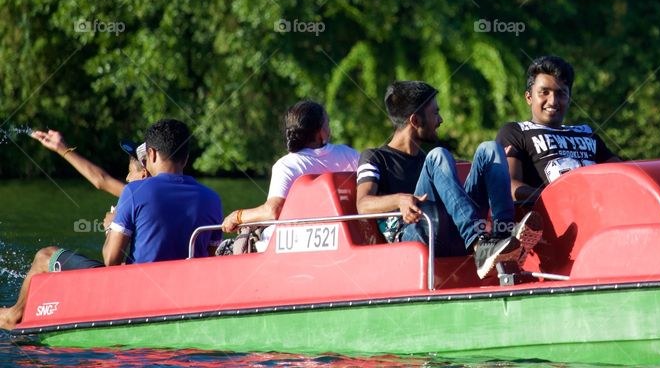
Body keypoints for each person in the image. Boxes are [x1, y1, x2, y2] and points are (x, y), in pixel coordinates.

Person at [0, 119, 222, 330]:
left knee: (45, 256)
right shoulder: (212, 199)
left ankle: (13, 316)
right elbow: (210, 263)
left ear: (151, 154)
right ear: (186, 157)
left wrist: (110, 227)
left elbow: (111, 260)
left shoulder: (134, 192)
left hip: (134, 294)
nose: (127, 177)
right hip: (187, 294)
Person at [356, 81, 542, 279]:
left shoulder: (427, 161)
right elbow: (363, 204)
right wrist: (400, 200)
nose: (441, 119)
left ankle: (502, 239)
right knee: (438, 155)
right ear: (415, 120)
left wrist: (494, 167)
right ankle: (481, 245)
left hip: (452, 230)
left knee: (490, 150)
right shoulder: (375, 157)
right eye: (435, 113)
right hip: (412, 236)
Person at [221, 100, 359, 248]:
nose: (329, 127)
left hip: (295, 245)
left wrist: (237, 216)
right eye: (328, 123)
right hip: (346, 237)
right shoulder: (350, 155)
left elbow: (273, 211)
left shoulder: (287, 165)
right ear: (321, 132)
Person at [497, 56, 620, 202]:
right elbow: (508, 185)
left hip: (598, 211)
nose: (553, 101)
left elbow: (622, 175)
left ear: (569, 98)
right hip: (552, 218)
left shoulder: (587, 133)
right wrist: (556, 200)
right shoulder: (515, 132)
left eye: (561, 93)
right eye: (544, 92)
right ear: (529, 97)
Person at [31, 129, 148, 198]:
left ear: (144, 174)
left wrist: (61, 148)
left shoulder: (140, 198)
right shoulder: (151, 197)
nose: (127, 178)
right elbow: (101, 180)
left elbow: (102, 180)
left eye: (130, 171)